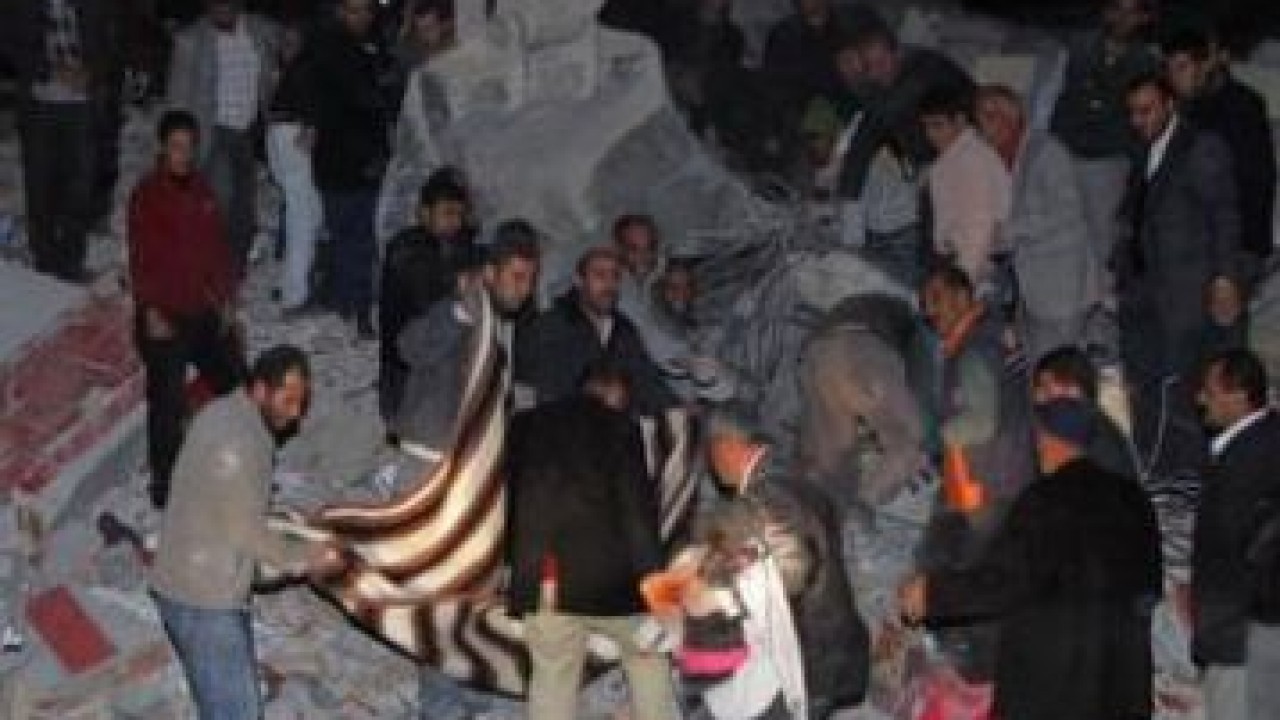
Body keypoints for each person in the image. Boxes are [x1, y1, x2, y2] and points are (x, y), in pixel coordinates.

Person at [899, 397, 1163, 720]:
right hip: (1121, 691)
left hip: (1053, 693)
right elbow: (1151, 588)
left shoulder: (1045, 500)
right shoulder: (1134, 501)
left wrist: (932, 593)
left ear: (1044, 438)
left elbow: (1004, 581)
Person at [392, 221, 539, 719]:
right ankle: (438, 700)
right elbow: (408, 347)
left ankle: (461, 677)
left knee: (474, 579)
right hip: (431, 462)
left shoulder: (503, 320)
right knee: (438, 583)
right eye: (516, 277)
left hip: (472, 467)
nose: (524, 289)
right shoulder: (461, 308)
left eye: (530, 279)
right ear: (490, 273)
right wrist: (457, 311)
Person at [150, 345, 343, 719]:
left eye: (301, 402)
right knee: (238, 712)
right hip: (205, 601)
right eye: (287, 401)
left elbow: (227, 499)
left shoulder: (225, 413)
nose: (295, 413)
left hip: (187, 582)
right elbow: (247, 535)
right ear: (259, 390)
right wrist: (308, 556)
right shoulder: (241, 444)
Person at [504, 362, 678, 720]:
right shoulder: (620, 428)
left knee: (553, 677)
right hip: (609, 582)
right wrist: (660, 596)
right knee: (647, 657)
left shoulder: (524, 425)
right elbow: (637, 517)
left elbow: (514, 503)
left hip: (543, 581)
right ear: (615, 394)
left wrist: (517, 576)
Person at [698, 412, 871, 717]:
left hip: (807, 658)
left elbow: (791, 573)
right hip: (831, 638)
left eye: (711, 453)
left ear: (728, 445)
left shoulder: (764, 500)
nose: (711, 465)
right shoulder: (796, 476)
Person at [1116, 73, 1242, 482]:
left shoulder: (1200, 147)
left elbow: (1225, 215)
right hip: (1142, 291)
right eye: (1133, 113)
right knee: (1146, 388)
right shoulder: (1142, 150)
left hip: (1185, 291)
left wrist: (1225, 278)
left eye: (1147, 110)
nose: (1138, 120)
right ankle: (1156, 471)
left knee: (1183, 389)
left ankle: (1188, 477)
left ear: (1170, 104)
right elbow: (1136, 216)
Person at [128, 110, 245, 508]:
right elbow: (141, 257)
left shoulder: (203, 192)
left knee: (235, 382)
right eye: (176, 146)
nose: (184, 155)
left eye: (189, 147)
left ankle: (237, 459)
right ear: (163, 148)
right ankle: (165, 482)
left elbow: (217, 251)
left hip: (200, 309)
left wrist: (226, 299)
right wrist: (150, 309)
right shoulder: (148, 196)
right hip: (163, 314)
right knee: (165, 400)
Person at [974, 84, 1097, 362]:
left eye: (991, 115)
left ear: (1013, 116)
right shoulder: (999, 160)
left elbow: (1066, 211)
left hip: (1063, 289)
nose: (985, 126)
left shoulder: (1046, 151)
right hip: (1032, 292)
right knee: (1037, 370)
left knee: (1060, 371)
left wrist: (1010, 231)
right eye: (980, 118)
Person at [920, 265, 1034, 561]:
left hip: (990, 483)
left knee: (969, 563)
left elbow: (981, 422)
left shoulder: (974, 350)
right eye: (925, 303)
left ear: (962, 297)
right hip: (1006, 473)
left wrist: (935, 438)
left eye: (937, 298)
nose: (930, 310)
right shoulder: (991, 333)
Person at [4, 0, 122, 282]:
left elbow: (110, 47)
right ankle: (44, 262)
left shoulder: (93, 6)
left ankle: (70, 261)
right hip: (40, 103)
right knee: (40, 186)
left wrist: (91, 73)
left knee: (79, 188)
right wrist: (49, 70)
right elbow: (10, 45)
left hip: (82, 106)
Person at [1192, 348, 1280, 720]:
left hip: (1240, 636)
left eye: (1210, 391)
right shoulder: (1267, 439)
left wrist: (1209, 616)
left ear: (1240, 397)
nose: (1200, 399)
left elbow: (1235, 554)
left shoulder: (1245, 464)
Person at [1050, 0, 1160, 292]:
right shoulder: (1079, 47)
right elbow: (1055, 98)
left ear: (1143, 18)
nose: (1124, 18)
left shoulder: (1147, 61)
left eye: (1132, 11)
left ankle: (1099, 308)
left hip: (1110, 159)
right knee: (1060, 232)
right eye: (1118, 8)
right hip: (1066, 151)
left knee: (1101, 240)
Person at [167, 0, 281, 272]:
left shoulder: (258, 31)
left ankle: (233, 267)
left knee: (243, 205)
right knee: (221, 199)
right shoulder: (191, 41)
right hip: (212, 131)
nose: (222, 10)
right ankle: (209, 267)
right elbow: (178, 97)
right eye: (215, 5)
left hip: (247, 130)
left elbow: (289, 43)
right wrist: (179, 143)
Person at [311, 0, 398, 338]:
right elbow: (356, 102)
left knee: (358, 237)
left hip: (361, 160)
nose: (360, 17)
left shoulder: (372, 46)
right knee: (349, 235)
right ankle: (349, 302)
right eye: (353, 10)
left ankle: (353, 303)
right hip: (342, 160)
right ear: (340, 12)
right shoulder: (333, 50)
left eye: (365, 10)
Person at [798, 294, 932, 512]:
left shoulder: (877, 304)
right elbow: (920, 388)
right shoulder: (917, 327)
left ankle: (807, 507)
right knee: (911, 437)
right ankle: (863, 506)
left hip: (816, 358)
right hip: (864, 353)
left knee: (833, 464)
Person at [1164, 28, 1276, 283]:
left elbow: (1253, 182)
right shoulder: (1182, 107)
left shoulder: (1241, 107)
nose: (1174, 78)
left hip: (1234, 245)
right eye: (1169, 70)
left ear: (1206, 64)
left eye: (1181, 68)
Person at [516, 246, 676, 416]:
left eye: (615, 276)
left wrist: (676, 407)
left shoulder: (624, 329)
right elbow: (545, 391)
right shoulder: (550, 327)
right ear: (579, 280)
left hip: (618, 426)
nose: (609, 285)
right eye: (600, 275)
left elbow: (646, 379)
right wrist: (594, 392)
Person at [378, 169, 478, 425]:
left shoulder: (463, 247)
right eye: (447, 213)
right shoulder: (406, 249)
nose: (454, 221)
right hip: (407, 378)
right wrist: (462, 282)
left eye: (459, 214)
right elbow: (427, 293)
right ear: (424, 213)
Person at [836, 22, 975, 201]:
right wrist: (846, 195)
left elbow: (882, 115)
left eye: (882, 62)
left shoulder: (926, 67)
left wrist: (859, 84)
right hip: (928, 167)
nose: (877, 71)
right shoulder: (882, 86)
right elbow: (863, 142)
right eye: (869, 66)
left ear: (898, 53)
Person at [920, 90, 1011, 295]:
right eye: (926, 126)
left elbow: (979, 225)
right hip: (963, 262)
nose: (930, 134)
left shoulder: (971, 159)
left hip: (977, 267)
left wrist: (963, 283)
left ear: (960, 121)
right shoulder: (955, 156)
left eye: (938, 125)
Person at [265, 21, 322, 316]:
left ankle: (292, 281)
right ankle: (295, 293)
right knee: (303, 216)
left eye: (292, 41)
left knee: (304, 211)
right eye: (285, 41)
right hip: (291, 134)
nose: (288, 47)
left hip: (280, 133)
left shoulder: (286, 71)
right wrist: (311, 124)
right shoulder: (304, 69)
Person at [761, 0, 886, 126]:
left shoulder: (859, 16)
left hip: (882, 108)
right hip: (832, 127)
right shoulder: (782, 42)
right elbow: (782, 104)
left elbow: (889, 60)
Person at [1031, 346, 1139, 480]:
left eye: (1045, 386)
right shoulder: (1095, 417)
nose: (1038, 395)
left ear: (1070, 386)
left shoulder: (1068, 417)